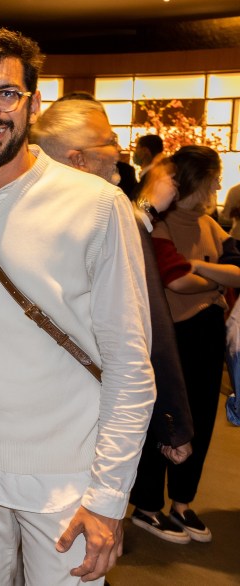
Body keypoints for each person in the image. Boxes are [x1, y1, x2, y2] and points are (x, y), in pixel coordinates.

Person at [0, 27, 155, 585]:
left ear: (33, 103)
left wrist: (108, 497)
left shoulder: (98, 207)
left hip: (66, 475)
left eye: (6, 94)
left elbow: (130, 367)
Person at [32, 97, 194, 462]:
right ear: (79, 159)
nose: (119, 151)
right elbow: (143, 322)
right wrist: (174, 422)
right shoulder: (109, 213)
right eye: (110, 142)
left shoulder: (19, 209)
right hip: (88, 411)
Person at [129, 147, 240, 544]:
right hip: (170, 338)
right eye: (211, 179)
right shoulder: (155, 223)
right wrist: (216, 279)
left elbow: (236, 269)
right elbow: (175, 280)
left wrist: (201, 270)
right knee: (165, 419)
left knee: (202, 422)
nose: (215, 188)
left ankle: (181, 502)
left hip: (208, 337)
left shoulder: (211, 225)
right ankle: (146, 505)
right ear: (191, 181)